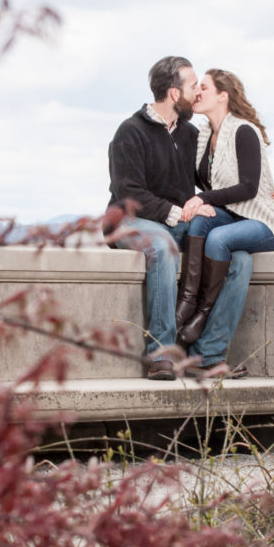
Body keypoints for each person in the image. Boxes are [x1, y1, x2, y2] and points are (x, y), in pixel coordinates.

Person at [106, 56, 257, 380]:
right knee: (161, 245)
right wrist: (179, 213)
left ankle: (208, 355)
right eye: (192, 87)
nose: (197, 92)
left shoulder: (190, 135)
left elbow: (212, 180)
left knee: (239, 258)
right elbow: (129, 192)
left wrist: (269, 193)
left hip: (175, 222)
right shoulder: (130, 132)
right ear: (175, 94)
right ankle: (160, 354)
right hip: (131, 221)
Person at [175, 68, 274, 346]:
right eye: (196, 87)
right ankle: (186, 301)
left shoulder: (243, 130)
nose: (197, 92)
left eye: (204, 88)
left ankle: (201, 311)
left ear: (223, 96)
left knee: (218, 238)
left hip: (262, 223)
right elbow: (204, 184)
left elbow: (249, 187)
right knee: (200, 221)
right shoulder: (203, 135)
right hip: (232, 217)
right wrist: (201, 203)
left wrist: (204, 199)